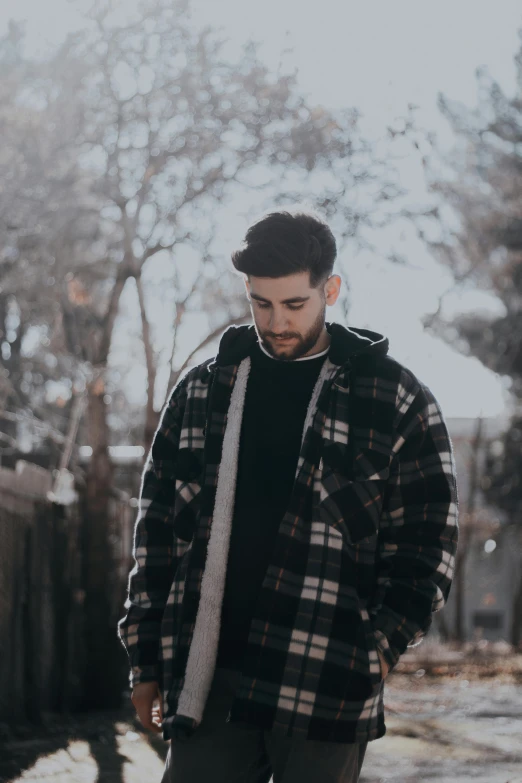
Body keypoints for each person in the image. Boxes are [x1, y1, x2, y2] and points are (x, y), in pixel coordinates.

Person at [118, 207, 459, 782]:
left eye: (294, 304)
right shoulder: (202, 391)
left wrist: (375, 649)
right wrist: (144, 658)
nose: (275, 321)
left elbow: (429, 542)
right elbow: (155, 533)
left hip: (326, 674)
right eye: (260, 302)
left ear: (330, 289)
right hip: (210, 675)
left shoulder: (394, 397)